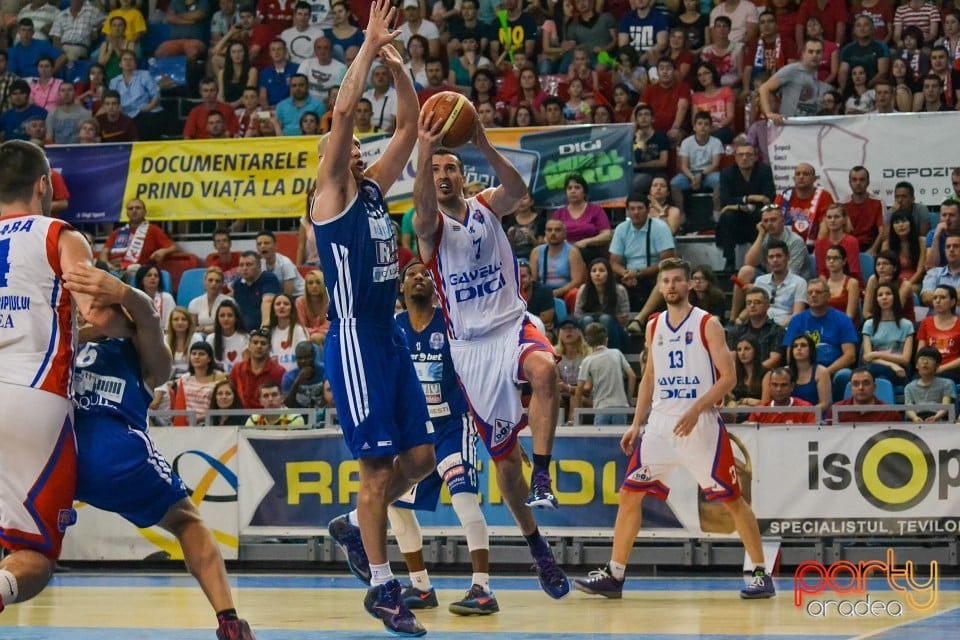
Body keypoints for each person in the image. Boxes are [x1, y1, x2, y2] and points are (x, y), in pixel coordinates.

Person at [311, 2, 436, 636]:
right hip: (356, 336)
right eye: (351, 146)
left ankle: (354, 525)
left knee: (421, 455)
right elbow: (342, 113)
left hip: (387, 336)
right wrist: (365, 48)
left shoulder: (372, 191)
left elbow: (411, 130)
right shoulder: (331, 195)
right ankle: (383, 588)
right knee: (379, 470)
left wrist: (401, 67)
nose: (358, 150)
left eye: (362, 146)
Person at [414, 97, 571, 599]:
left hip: (512, 325)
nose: (443, 173)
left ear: (463, 174)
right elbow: (420, 214)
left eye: (450, 166)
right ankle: (537, 548)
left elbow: (521, 191)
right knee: (504, 464)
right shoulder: (430, 231)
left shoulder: (485, 205)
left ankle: (543, 474)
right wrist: (423, 150)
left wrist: (481, 140)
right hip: (472, 352)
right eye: (436, 168)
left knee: (545, 370)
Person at [64, 264, 256, 640]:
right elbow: (146, 320)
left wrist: (117, 296)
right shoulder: (119, 342)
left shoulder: (77, 341)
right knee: (186, 520)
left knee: (22, 540)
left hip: (57, 448)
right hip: (112, 452)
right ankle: (228, 620)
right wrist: (120, 294)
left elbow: (148, 320)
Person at [573, 258, 774, 599]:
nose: (670, 286)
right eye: (665, 281)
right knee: (629, 494)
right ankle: (615, 574)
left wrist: (697, 409)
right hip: (661, 427)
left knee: (732, 501)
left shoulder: (707, 324)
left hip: (700, 425)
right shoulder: (654, 325)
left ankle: (760, 574)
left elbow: (730, 378)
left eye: (677, 280)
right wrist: (636, 423)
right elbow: (649, 377)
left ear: (688, 285)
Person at [0, 140, 126, 616]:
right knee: (32, 556)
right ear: (42, 185)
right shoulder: (59, 234)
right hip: (34, 393)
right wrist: (132, 316)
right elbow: (96, 309)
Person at [387, 261, 499, 615]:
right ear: (401, 287)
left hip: (452, 425)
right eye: (412, 275)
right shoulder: (392, 328)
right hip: (414, 433)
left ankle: (482, 588)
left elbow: (479, 372)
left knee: (464, 498)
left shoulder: (452, 323)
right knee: (393, 503)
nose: (419, 278)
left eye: (426, 274)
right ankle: (420, 587)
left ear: (436, 288)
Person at [572, 322, 636, 425]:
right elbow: (632, 376)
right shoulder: (617, 353)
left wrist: (578, 413)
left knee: (600, 440)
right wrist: (628, 398)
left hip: (601, 407)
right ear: (606, 339)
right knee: (619, 440)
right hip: (621, 406)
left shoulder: (587, 361)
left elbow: (579, 390)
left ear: (587, 342)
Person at [100, 199, 177, 275]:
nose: (134, 211)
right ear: (127, 213)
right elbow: (104, 252)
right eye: (130, 208)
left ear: (144, 212)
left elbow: (173, 247)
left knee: (133, 270)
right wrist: (107, 265)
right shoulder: (117, 232)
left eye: (138, 208)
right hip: (114, 271)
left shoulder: (153, 230)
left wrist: (163, 251)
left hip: (137, 272)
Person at [759, 37, 828, 122]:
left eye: (818, 52)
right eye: (810, 51)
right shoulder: (792, 70)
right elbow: (764, 88)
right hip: (788, 126)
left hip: (808, 127)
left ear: (822, 55)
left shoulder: (816, 75)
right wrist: (768, 113)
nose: (814, 55)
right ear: (803, 53)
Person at [861, 282, 915, 386]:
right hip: (877, 367)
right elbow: (867, 357)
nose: (884, 297)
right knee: (879, 375)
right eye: (880, 295)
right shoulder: (868, 324)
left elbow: (905, 359)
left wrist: (876, 354)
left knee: (879, 377)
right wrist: (891, 365)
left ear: (895, 297)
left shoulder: (907, 325)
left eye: (888, 294)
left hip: (900, 369)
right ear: (876, 300)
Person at [747, 367, 817, 424]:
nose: (779, 389)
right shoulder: (758, 413)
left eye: (784, 385)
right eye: (775, 385)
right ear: (769, 386)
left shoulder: (807, 409)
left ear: (792, 386)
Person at [904, 347, 956, 423]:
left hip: (937, 418)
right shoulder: (909, 387)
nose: (925, 362)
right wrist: (915, 418)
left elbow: (945, 407)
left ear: (937, 366)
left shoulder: (946, 384)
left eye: (930, 359)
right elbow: (909, 408)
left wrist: (935, 417)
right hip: (917, 419)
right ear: (916, 365)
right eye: (922, 359)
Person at [834, 368, 903, 423]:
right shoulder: (836, 411)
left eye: (866, 383)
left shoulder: (891, 414)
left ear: (874, 387)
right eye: (856, 384)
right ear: (851, 388)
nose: (861, 388)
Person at [281, 341, 325, 410]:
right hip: (298, 416)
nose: (303, 361)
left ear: (314, 356)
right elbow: (287, 406)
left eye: (307, 357)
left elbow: (332, 396)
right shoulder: (289, 377)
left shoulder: (325, 371)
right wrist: (297, 382)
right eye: (300, 358)